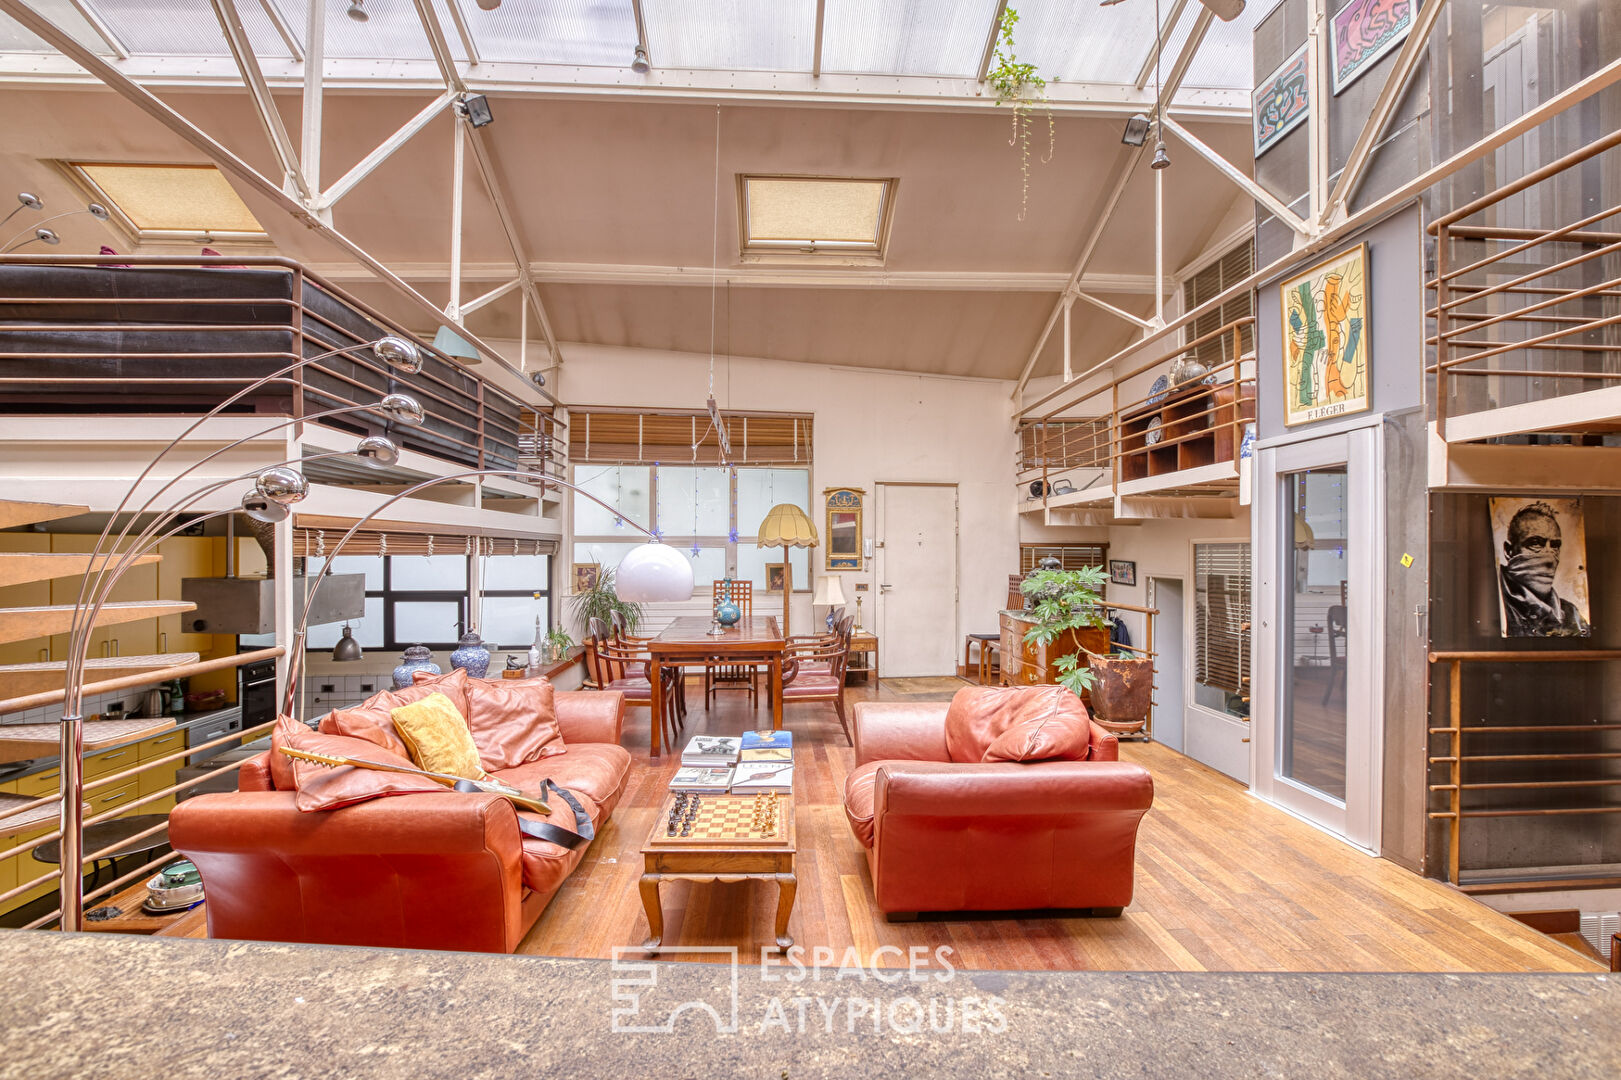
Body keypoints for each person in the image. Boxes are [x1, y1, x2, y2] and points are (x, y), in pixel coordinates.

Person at [1498, 502, 1590, 637]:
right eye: (1535, 543)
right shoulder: (1499, 602)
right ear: (1509, 551)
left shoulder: (1571, 614)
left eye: (1555, 546)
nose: (1549, 558)